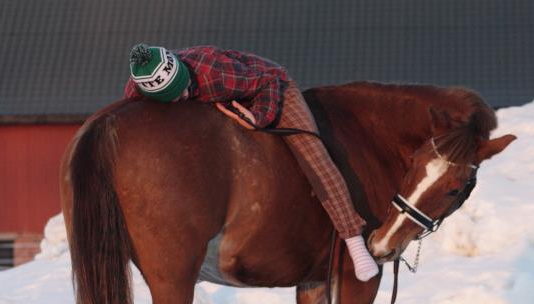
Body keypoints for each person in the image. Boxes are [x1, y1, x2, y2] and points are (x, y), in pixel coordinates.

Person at [124, 44, 379, 282]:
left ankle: (353, 240)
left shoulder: (215, 72)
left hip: (270, 86)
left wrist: (258, 118)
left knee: (313, 156)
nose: (182, 94)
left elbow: (267, 83)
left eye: (182, 85)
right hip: (221, 99)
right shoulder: (136, 92)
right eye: (172, 95)